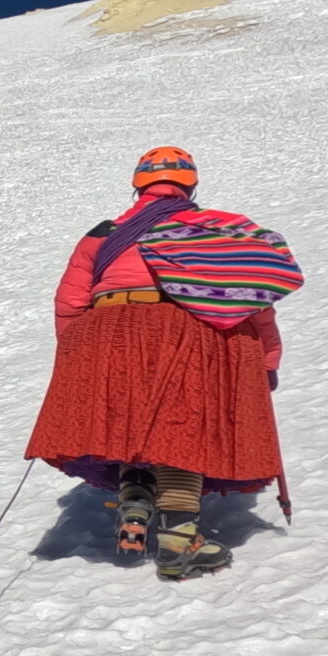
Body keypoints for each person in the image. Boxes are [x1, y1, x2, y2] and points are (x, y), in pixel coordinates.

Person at [23, 144, 294, 580]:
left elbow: (69, 303)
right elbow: (253, 302)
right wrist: (267, 359)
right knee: (182, 425)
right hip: (183, 328)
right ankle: (179, 540)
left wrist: (78, 361)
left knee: (130, 421)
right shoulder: (215, 231)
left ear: (138, 186)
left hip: (106, 330)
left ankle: (136, 500)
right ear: (191, 184)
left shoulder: (102, 233)